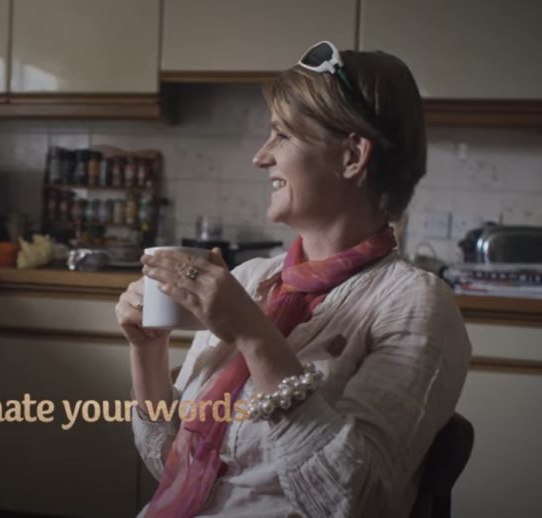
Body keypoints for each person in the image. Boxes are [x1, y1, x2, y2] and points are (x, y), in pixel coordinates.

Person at [116, 42, 471, 517]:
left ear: (352, 156)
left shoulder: (414, 304)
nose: (261, 157)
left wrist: (254, 335)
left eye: (282, 136)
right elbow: (173, 468)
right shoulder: (250, 279)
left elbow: (353, 500)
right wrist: (148, 349)